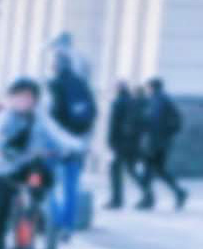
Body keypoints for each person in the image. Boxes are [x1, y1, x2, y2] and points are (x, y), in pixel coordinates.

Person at [0, 78, 85, 249]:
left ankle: (36, 218)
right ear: (11, 98)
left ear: (35, 100)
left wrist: (77, 147)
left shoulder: (40, 118)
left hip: (28, 168)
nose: (23, 101)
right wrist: (2, 145)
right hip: (5, 171)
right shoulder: (6, 117)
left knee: (43, 179)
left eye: (28, 97)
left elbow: (59, 135)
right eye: (19, 96)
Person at [46, 52, 98, 229]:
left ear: (56, 66)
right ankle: (68, 226)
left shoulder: (54, 84)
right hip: (76, 142)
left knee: (47, 182)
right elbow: (93, 112)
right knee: (71, 186)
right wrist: (82, 136)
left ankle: (55, 220)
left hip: (56, 141)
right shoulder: (82, 84)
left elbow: (52, 114)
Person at [135, 77, 187, 210]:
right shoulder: (163, 99)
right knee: (158, 170)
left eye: (149, 87)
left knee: (149, 170)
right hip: (161, 141)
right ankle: (178, 192)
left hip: (156, 142)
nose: (147, 90)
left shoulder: (158, 101)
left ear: (152, 87)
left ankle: (149, 199)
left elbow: (153, 121)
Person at [104, 81, 142, 210]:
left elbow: (113, 124)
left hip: (120, 142)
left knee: (115, 170)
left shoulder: (118, 102)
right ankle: (148, 192)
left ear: (118, 89)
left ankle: (117, 199)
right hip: (133, 142)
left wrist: (110, 141)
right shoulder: (133, 101)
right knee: (131, 169)